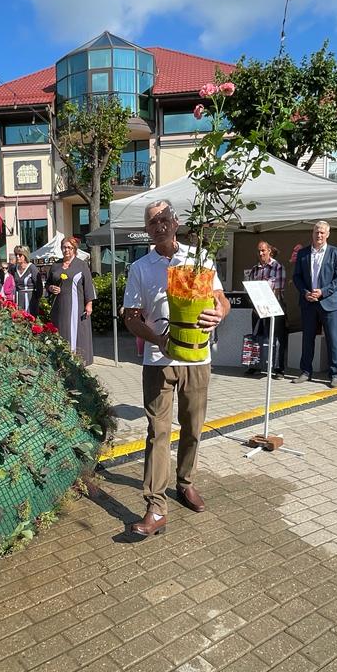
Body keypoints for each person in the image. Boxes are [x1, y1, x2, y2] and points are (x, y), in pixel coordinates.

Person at [122, 200, 229, 537]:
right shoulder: (140, 268)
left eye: (164, 219)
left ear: (176, 221)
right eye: (152, 222)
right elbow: (130, 317)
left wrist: (220, 313)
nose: (159, 226)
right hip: (158, 361)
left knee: (193, 428)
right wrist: (157, 339)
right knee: (158, 433)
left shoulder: (199, 258)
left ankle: (185, 482)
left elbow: (221, 299)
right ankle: (156, 506)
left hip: (197, 358)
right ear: (147, 229)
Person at [292, 220, 337, 388]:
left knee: (333, 340)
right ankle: (305, 372)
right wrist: (305, 292)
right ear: (312, 233)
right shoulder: (303, 253)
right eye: (317, 232)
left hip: (329, 303)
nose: (319, 235)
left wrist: (323, 291)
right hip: (308, 302)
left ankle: (334, 375)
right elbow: (297, 277)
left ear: (328, 234)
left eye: (322, 232)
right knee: (307, 339)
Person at [46, 236, 95, 364]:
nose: (66, 250)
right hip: (59, 306)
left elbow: (88, 286)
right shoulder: (56, 265)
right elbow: (48, 283)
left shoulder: (81, 265)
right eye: (64, 247)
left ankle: (78, 359)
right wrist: (51, 288)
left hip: (76, 306)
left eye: (69, 247)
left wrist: (89, 304)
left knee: (76, 331)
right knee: (61, 330)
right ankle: (61, 358)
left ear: (74, 249)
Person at [243, 240, 287, 378]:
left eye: (263, 250)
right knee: (256, 337)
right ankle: (255, 366)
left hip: (274, 308)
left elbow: (278, 290)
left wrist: (268, 306)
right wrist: (255, 306)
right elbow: (250, 289)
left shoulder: (278, 267)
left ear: (269, 251)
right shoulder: (254, 269)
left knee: (276, 339)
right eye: (259, 251)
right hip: (257, 309)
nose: (261, 253)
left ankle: (278, 369)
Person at [11, 245, 43, 314]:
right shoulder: (14, 268)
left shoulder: (32, 268)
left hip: (30, 298)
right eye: (16, 254)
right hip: (18, 298)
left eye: (20, 255)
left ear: (25, 255)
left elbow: (39, 286)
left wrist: (36, 300)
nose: (17, 256)